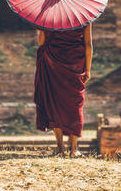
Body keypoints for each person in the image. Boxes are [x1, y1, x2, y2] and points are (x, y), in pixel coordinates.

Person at [34, 23, 92, 157]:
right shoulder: (83, 16)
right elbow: (88, 45)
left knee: (55, 102)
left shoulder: (50, 17)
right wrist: (87, 69)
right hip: (75, 63)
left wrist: (43, 25)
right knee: (75, 103)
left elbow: (41, 41)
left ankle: (60, 149)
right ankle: (73, 149)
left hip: (52, 62)